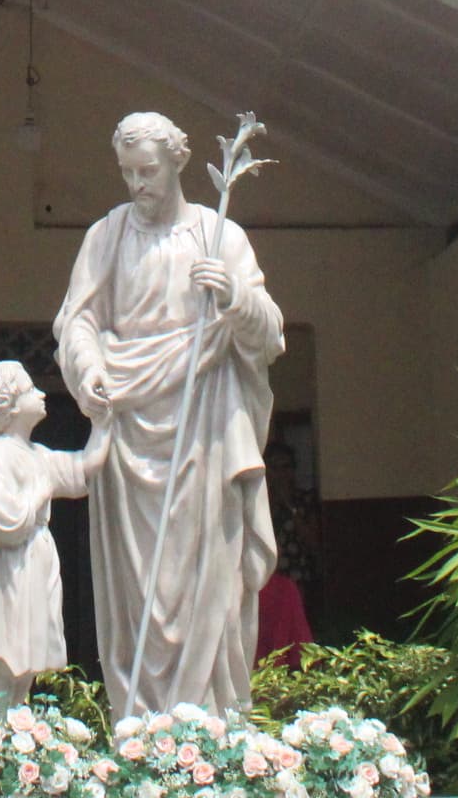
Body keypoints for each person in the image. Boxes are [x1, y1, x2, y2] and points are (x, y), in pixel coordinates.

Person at [55, 111, 287, 717]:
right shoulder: (105, 237)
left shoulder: (221, 236)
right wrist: (90, 373)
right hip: (129, 433)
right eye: (128, 173)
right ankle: (138, 724)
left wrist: (234, 298)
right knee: (137, 592)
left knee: (209, 575)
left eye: (148, 171)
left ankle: (211, 722)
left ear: (178, 162)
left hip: (203, 426)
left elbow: (268, 335)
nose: (138, 184)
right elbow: (77, 321)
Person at [0, 359, 107, 711]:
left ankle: (17, 733)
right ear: (8, 406)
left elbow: (85, 468)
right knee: (1, 653)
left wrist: (105, 419)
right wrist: (40, 492)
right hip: (4, 566)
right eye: (28, 390)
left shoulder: (38, 455)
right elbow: (4, 520)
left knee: (26, 655)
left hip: (33, 561)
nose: (41, 394)